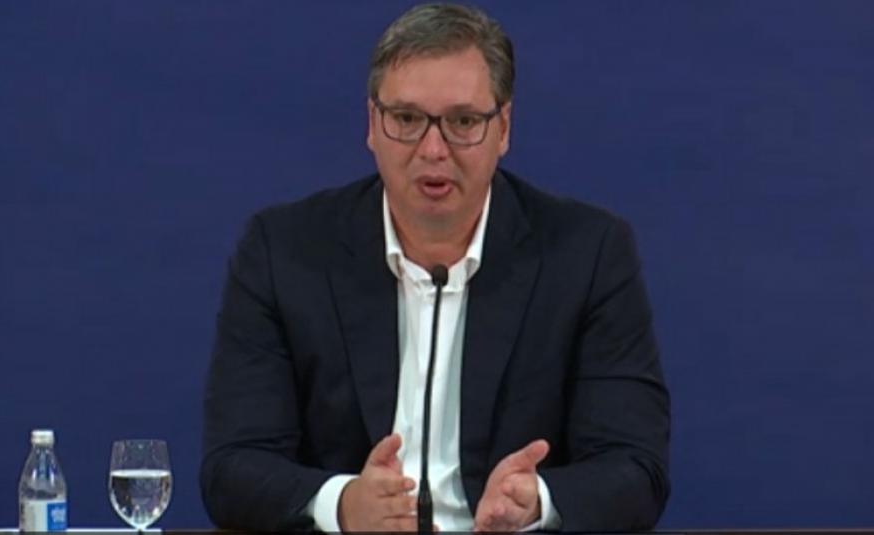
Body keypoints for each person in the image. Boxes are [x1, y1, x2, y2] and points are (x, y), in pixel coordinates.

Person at [200, 3, 670, 532]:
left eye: (463, 122)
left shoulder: (587, 254)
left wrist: (537, 500)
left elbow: (636, 470)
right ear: (372, 124)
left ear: (504, 128)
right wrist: (344, 504)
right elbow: (232, 468)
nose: (433, 149)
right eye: (406, 119)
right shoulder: (284, 251)